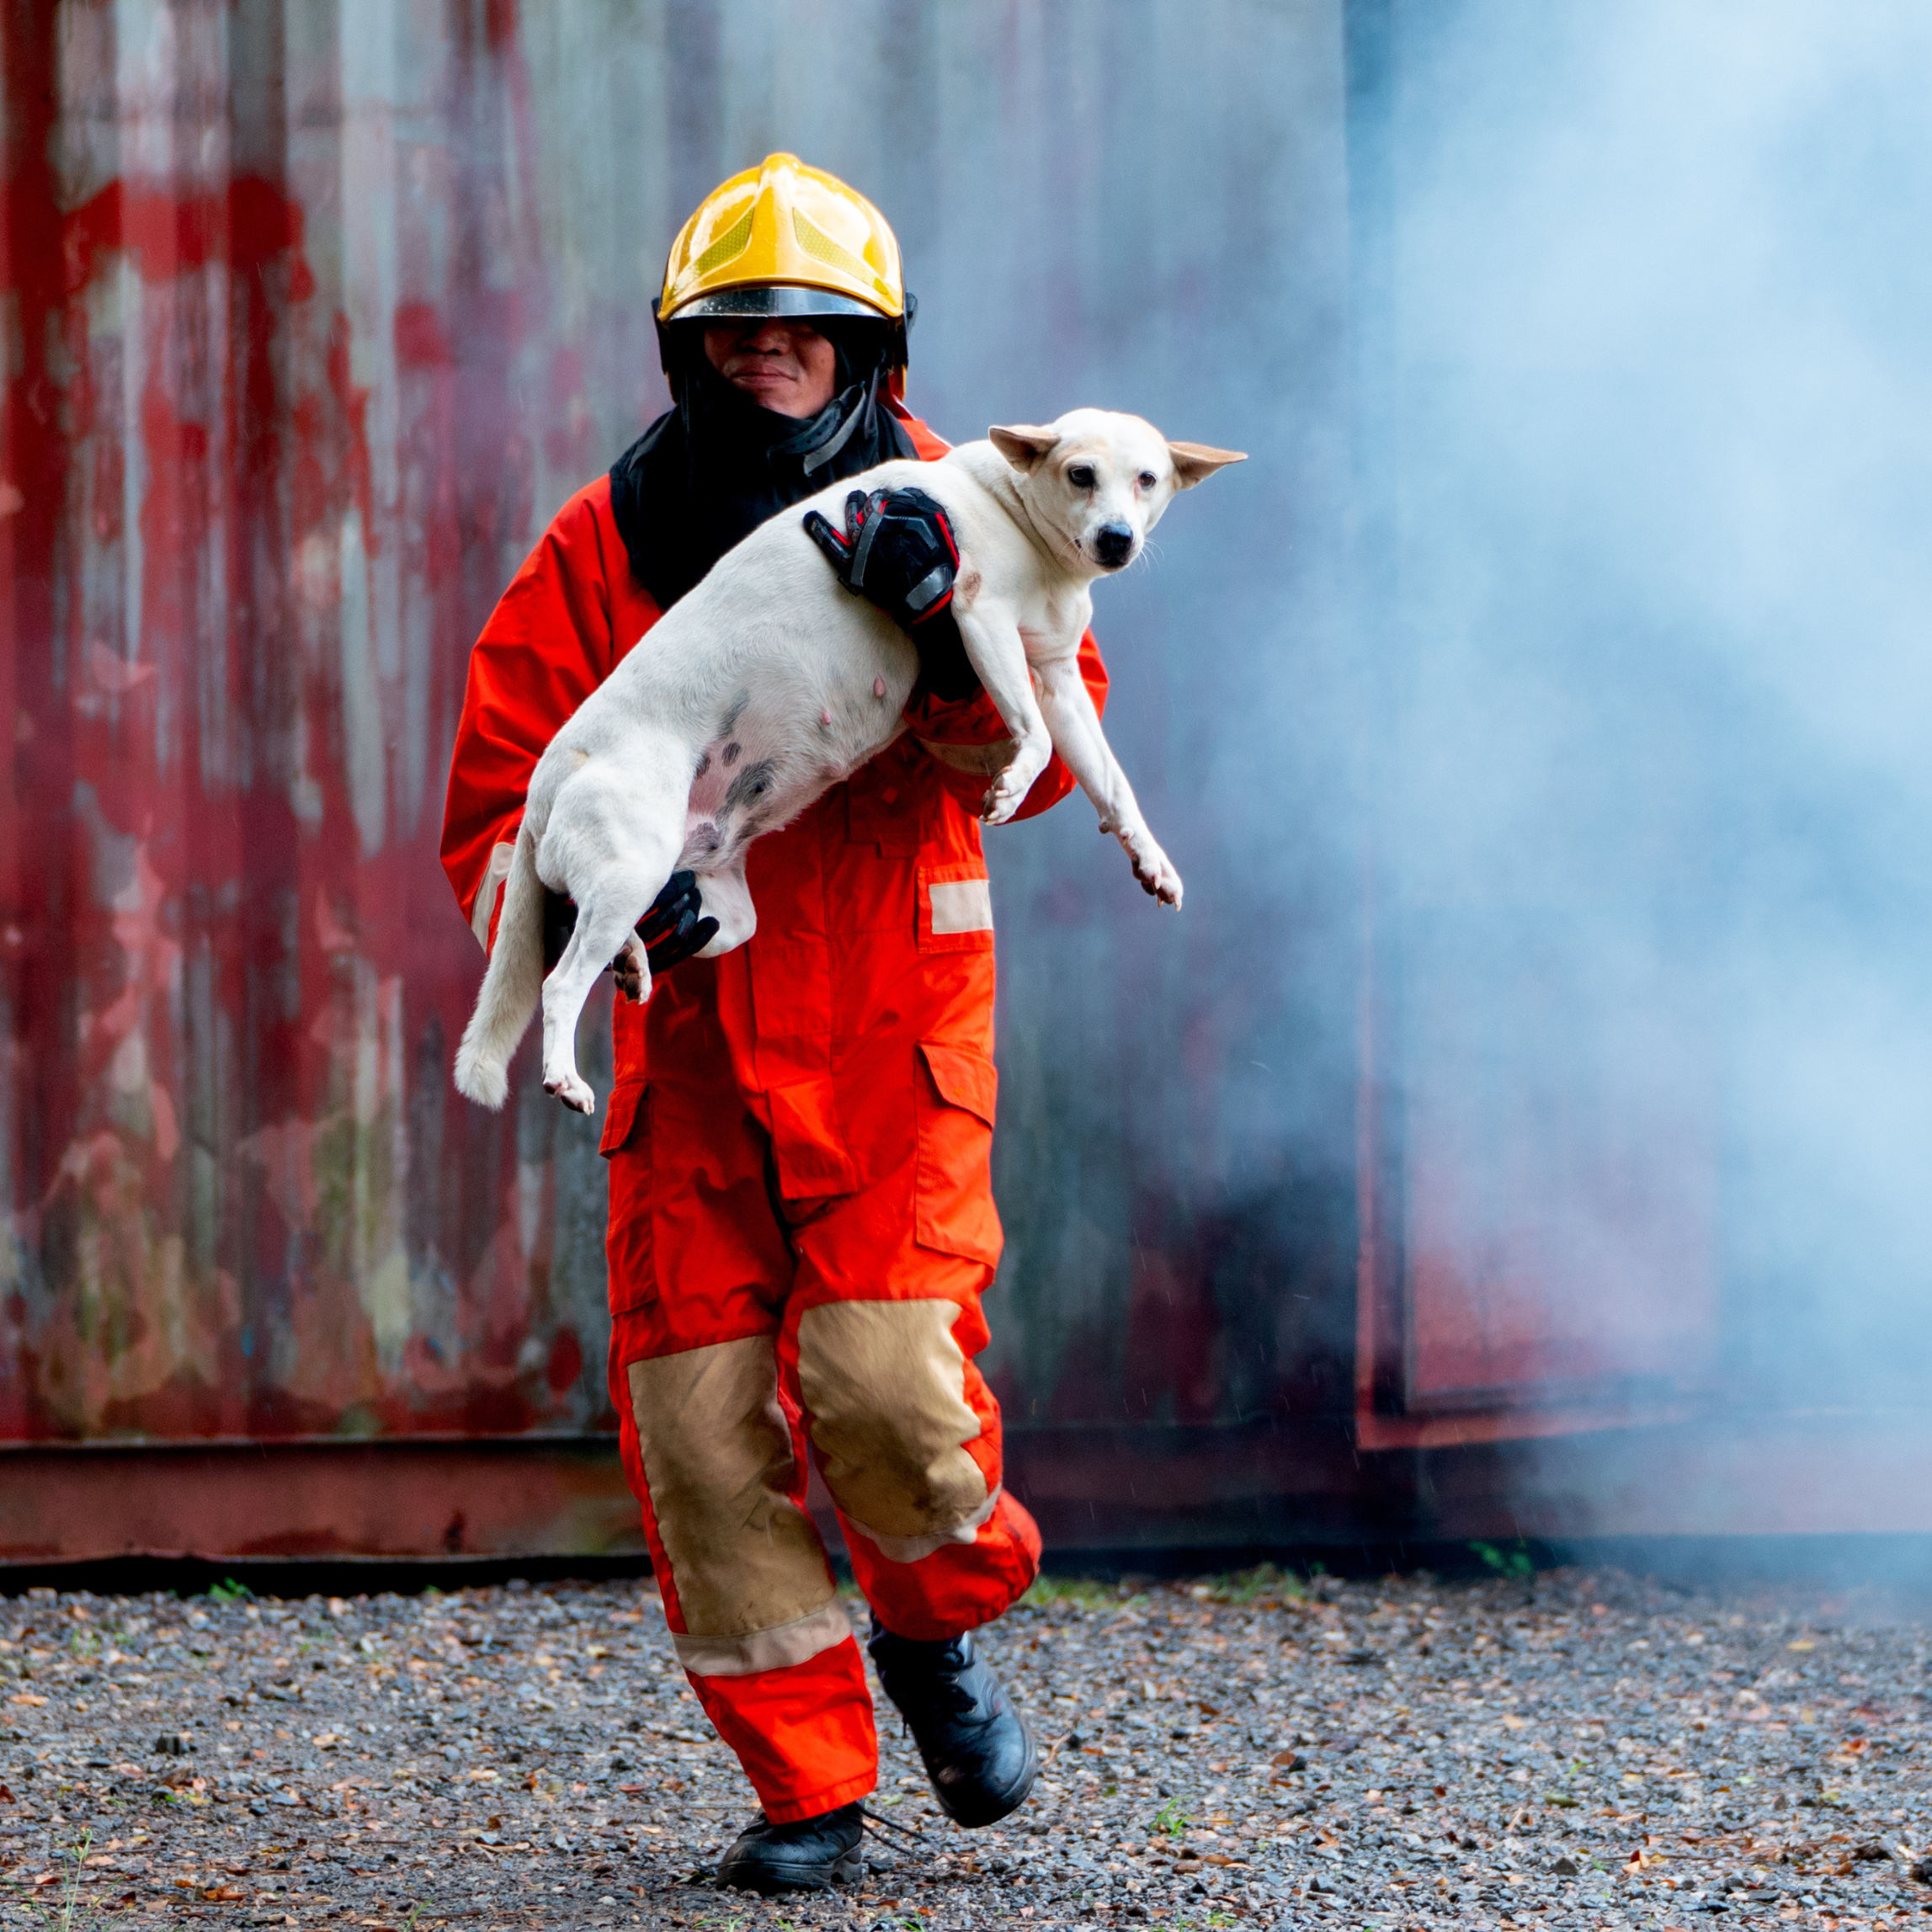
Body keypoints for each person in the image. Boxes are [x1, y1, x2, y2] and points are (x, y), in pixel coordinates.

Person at [440, 154, 1109, 1895]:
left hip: (890, 1029)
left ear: (866, 344)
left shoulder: (975, 501)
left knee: (886, 1397)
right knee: (699, 1435)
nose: (770, 357)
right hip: (686, 1062)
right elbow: (494, 811)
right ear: (687, 353)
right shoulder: (600, 547)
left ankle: (937, 1626)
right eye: (737, 334)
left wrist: (945, 645)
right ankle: (808, 1787)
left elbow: (1045, 746)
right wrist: (591, 897)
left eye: (807, 332)